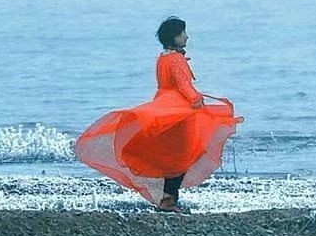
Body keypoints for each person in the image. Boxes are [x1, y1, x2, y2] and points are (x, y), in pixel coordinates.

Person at [74, 16, 244, 213]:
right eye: (183, 33)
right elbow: (183, 84)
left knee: (173, 154)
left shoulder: (163, 58)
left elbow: (169, 84)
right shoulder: (176, 59)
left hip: (164, 105)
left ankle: (168, 198)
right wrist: (195, 98)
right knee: (181, 155)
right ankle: (169, 200)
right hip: (179, 111)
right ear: (174, 37)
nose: (187, 37)